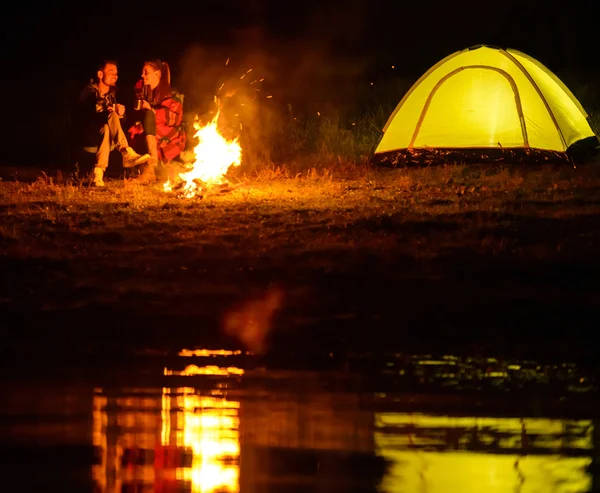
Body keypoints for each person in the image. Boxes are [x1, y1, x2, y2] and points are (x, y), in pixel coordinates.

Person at [77, 60, 150, 187]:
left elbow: (118, 122)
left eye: (116, 73)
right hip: (87, 136)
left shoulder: (113, 94)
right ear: (100, 74)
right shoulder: (88, 91)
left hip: (106, 135)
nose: (115, 75)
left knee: (106, 127)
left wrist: (121, 115)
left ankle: (97, 175)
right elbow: (93, 108)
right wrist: (109, 109)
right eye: (111, 72)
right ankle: (125, 151)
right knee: (109, 117)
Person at [127, 59, 186, 184]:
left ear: (157, 74)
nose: (142, 75)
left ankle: (151, 166)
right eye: (142, 72)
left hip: (169, 133)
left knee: (148, 117)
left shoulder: (170, 93)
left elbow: (175, 119)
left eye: (146, 72)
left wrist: (152, 111)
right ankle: (149, 171)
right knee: (137, 128)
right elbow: (136, 113)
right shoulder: (142, 89)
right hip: (149, 130)